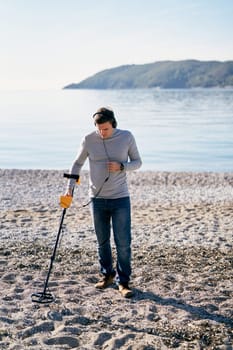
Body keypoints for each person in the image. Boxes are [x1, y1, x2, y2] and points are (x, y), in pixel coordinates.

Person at [66, 107, 142, 298]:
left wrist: (122, 166)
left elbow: (138, 162)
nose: (102, 133)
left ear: (113, 124)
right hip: (97, 199)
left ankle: (123, 282)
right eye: (99, 129)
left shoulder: (126, 137)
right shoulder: (89, 139)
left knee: (123, 243)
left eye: (106, 129)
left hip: (120, 199)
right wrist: (69, 188)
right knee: (102, 242)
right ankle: (107, 275)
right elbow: (77, 164)